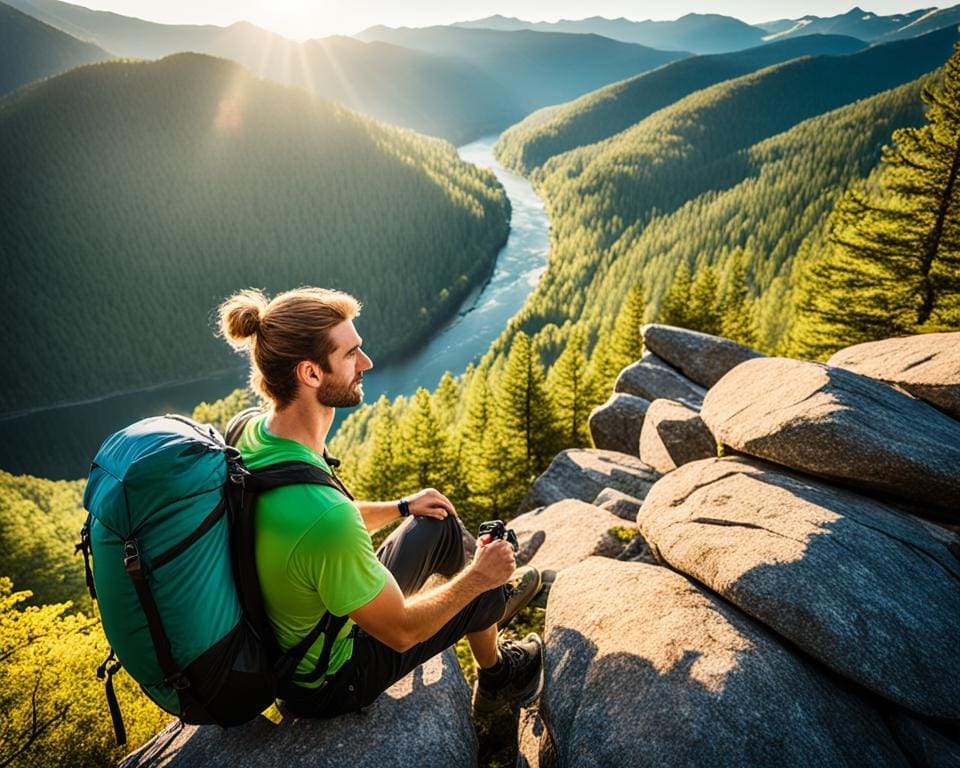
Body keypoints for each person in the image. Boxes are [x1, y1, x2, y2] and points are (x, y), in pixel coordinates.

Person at [218, 286, 544, 718]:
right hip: (327, 679)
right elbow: (403, 632)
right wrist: (478, 579)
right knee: (474, 587)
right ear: (311, 374)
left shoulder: (252, 433)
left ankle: (494, 603)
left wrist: (403, 507)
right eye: (352, 353)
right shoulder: (324, 517)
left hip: (298, 629)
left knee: (439, 522)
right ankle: (499, 670)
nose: (366, 363)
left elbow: (308, 532)